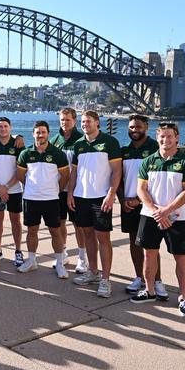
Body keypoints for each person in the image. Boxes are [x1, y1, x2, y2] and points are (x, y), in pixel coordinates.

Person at [131, 122, 185, 318]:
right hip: (150, 215)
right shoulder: (148, 161)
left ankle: (184, 298)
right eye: (162, 136)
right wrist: (155, 211)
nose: (165, 140)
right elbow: (141, 190)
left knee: (181, 258)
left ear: (177, 138)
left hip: (178, 217)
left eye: (170, 136)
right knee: (149, 254)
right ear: (158, 138)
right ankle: (150, 291)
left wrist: (167, 210)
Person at [68, 110, 122, 298]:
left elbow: (116, 171)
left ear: (97, 123)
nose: (85, 124)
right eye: (82, 122)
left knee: (103, 238)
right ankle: (93, 272)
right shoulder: (79, 144)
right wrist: (70, 193)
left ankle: (106, 280)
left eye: (88, 121)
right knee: (87, 235)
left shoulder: (109, 142)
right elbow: (74, 171)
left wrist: (111, 194)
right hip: (81, 196)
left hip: (101, 197)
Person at [118, 114, 167, 298]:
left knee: (151, 245)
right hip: (128, 204)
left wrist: (140, 200)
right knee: (134, 241)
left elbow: (158, 180)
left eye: (138, 127)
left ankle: (157, 280)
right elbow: (118, 178)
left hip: (149, 204)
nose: (134, 130)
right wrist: (123, 200)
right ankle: (139, 277)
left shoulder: (156, 148)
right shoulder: (125, 151)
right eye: (131, 127)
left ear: (146, 126)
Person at [16, 121, 70, 278]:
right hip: (31, 199)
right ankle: (32, 261)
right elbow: (20, 175)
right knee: (32, 230)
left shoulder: (58, 154)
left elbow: (65, 176)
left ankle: (60, 263)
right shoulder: (25, 153)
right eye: (38, 132)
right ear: (33, 134)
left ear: (48, 133)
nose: (40, 135)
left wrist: (55, 190)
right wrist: (33, 187)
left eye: (43, 132)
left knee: (55, 231)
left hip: (51, 199)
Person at [50, 108, 86, 273]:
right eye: (62, 120)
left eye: (68, 120)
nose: (64, 123)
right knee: (60, 223)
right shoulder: (54, 140)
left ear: (75, 121)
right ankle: (63, 252)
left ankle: (82, 258)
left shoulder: (81, 140)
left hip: (76, 190)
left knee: (78, 225)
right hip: (58, 189)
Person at [0, 117, 24, 265]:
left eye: (6, 126)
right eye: (0, 127)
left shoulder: (18, 145)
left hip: (14, 189)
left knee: (15, 220)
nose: (3, 129)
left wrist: (6, 187)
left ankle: (18, 251)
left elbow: (20, 171)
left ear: (10, 127)